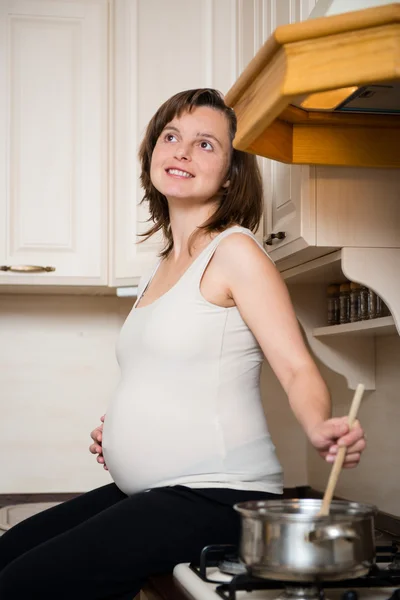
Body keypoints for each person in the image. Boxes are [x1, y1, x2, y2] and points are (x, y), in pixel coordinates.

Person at [0, 89, 366, 600]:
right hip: (153, 492)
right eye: (171, 136)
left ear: (232, 172)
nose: (182, 151)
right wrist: (131, 433)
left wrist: (318, 426)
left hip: (217, 498)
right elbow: (171, 376)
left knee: (21, 586)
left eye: (206, 144)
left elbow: (296, 368)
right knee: (6, 557)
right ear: (152, 151)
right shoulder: (161, 266)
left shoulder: (235, 251)